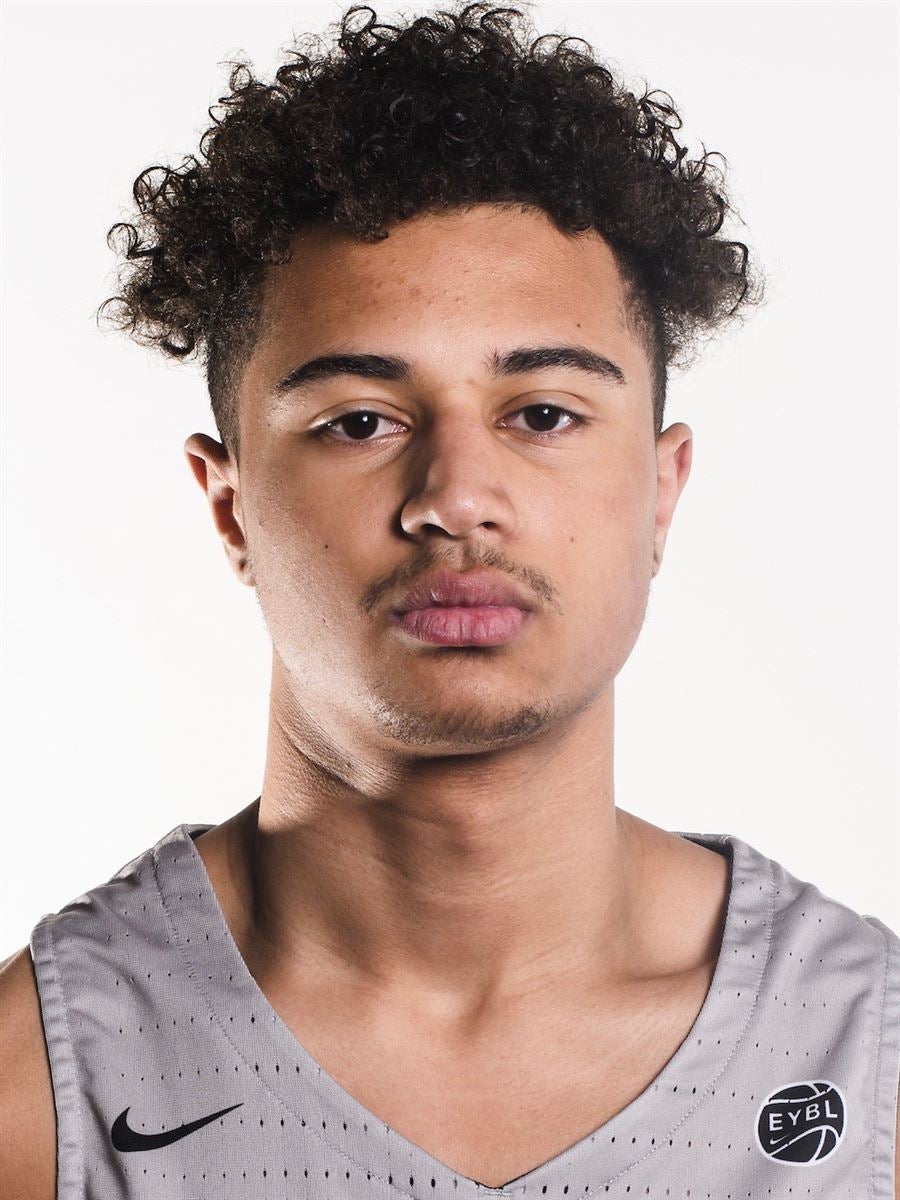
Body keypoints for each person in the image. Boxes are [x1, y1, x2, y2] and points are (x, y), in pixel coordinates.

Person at [1, 3, 897, 1197]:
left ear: (662, 491)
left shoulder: (868, 1063)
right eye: (359, 423)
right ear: (231, 508)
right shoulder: (38, 1089)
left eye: (544, 414)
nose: (457, 497)